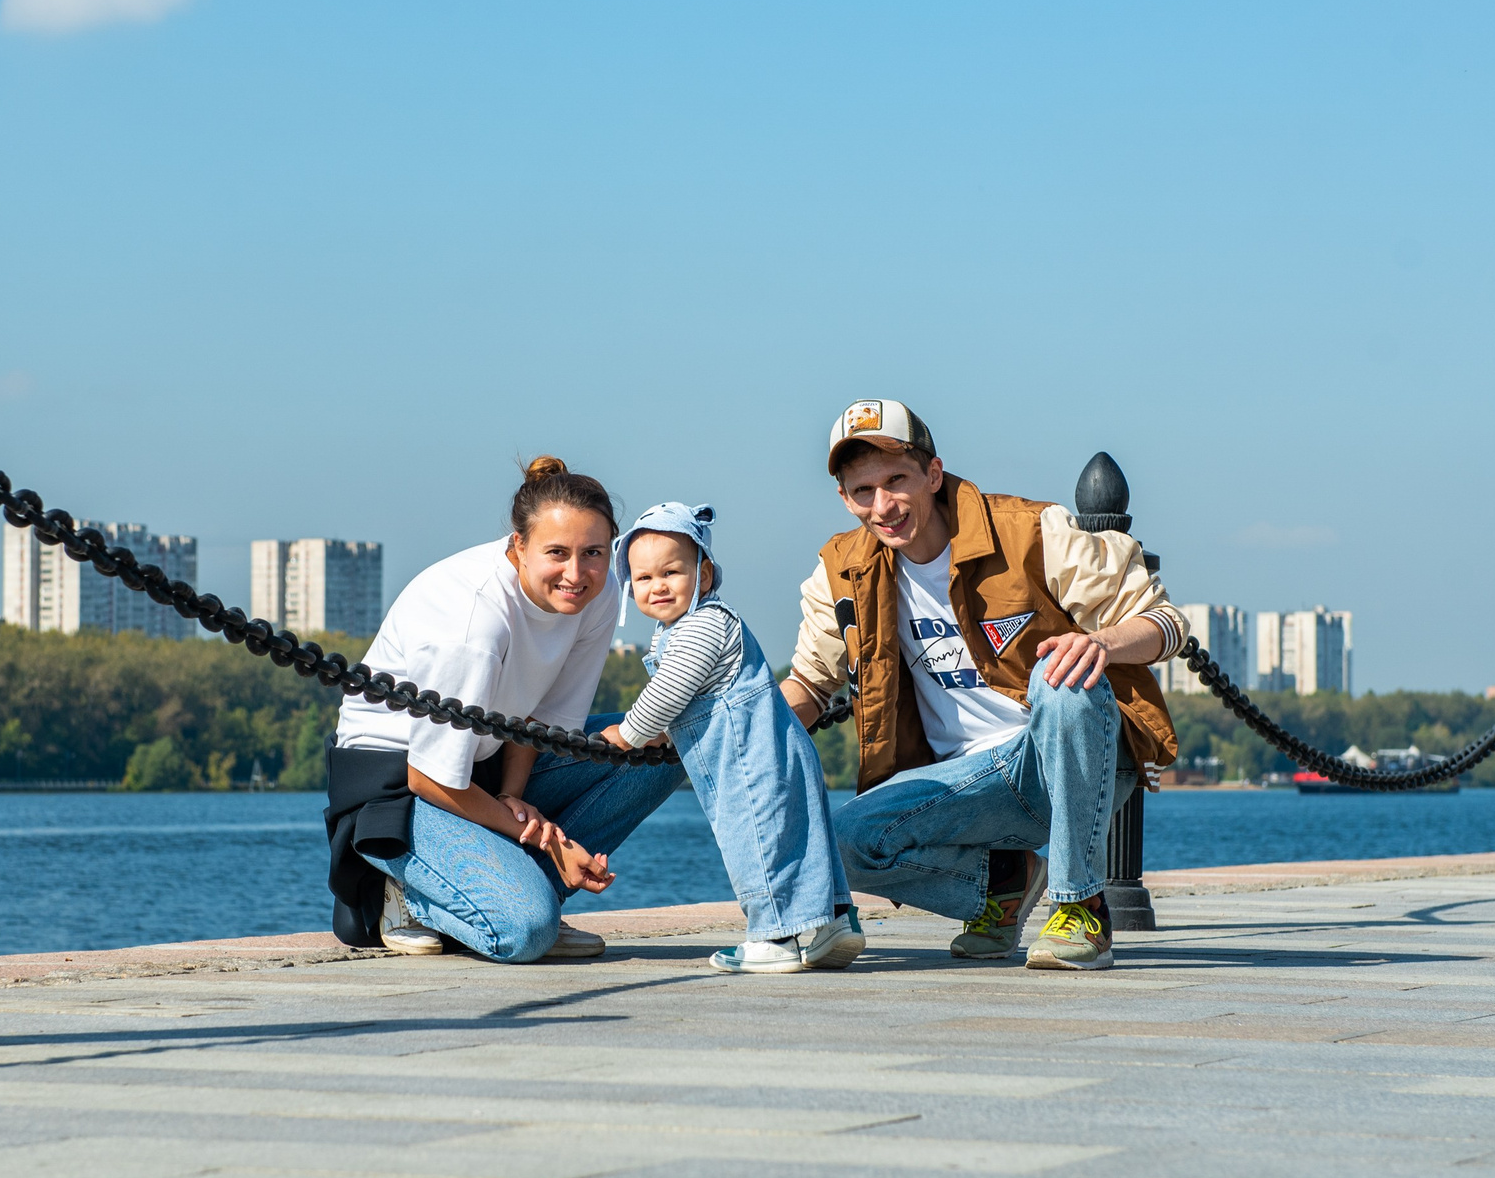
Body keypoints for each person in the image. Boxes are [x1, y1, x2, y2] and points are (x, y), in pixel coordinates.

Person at [779, 400, 1184, 971]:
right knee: (843, 840)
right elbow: (809, 686)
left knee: (1060, 674)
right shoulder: (840, 571)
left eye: (897, 480)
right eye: (863, 490)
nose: (884, 505)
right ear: (845, 498)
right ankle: (1004, 881)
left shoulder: (1031, 532)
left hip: (1068, 758)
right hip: (968, 782)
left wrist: (1101, 644)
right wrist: (743, 730)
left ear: (933, 474)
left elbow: (1165, 623)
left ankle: (1081, 908)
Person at [325, 456, 686, 962]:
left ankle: (514, 888)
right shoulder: (474, 622)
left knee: (667, 747)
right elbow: (430, 776)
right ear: (518, 546)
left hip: (485, 762)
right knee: (526, 933)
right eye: (556, 552)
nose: (576, 573)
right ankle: (408, 889)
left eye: (594, 553)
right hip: (400, 789)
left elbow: (544, 726)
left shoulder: (592, 596)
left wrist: (515, 796)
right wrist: (536, 836)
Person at [597, 503, 864, 974]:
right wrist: (663, 731)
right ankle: (833, 922)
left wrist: (632, 732)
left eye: (671, 572)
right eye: (643, 578)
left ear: (703, 576)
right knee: (801, 836)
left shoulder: (703, 624)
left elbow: (669, 690)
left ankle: (775, 935)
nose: (657, 586)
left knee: (755, 839)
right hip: (780, 747)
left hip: (748, 756)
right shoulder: (686, 627)